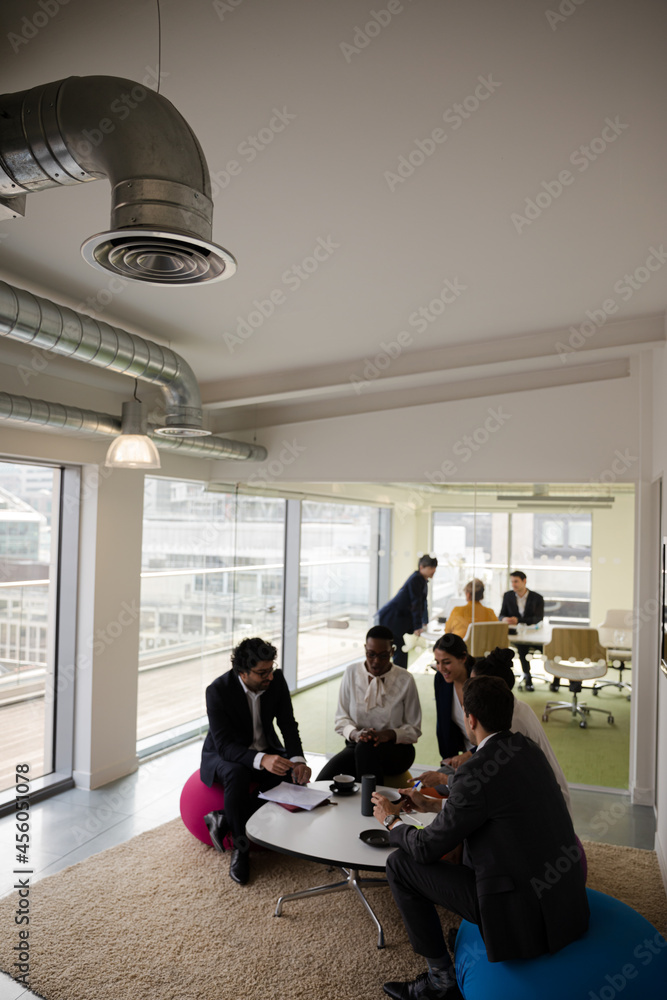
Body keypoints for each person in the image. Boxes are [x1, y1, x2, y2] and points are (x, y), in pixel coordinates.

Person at [372, 675, 589, 1000]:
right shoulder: (527, 748)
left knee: (400, 864)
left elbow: (426, 848)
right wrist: (431, 805)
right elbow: (496, 810)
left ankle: (440, 982)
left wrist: (390, 820)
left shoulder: (475, 771)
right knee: (468, 843)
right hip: (566, 900)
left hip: (523, 915)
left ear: (469, 719)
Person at [200, 636, 311, 885]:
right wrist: (262, 760)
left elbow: (288, 725)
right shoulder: (217, 691)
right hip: (224, 755)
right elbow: (225, 746)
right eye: (262, 673)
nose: (269, 677)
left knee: (294, 777)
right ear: (242, 672)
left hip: (266, 748)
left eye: (270, 670)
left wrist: (297, 760)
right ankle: (241, 848)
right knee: (237, 774)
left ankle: (225, 818)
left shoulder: (276, 681)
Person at [422, 646, 572, 817]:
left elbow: (480, 792)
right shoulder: (514, 707)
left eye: (473, 685)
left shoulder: (508, 725)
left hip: (543, 814)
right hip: (547, 805)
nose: (469, 692)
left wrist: (442, 783)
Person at [316, 625, 422, 784]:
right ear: (365, 649)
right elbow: (341, 719)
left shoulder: (405, 679)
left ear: (392, 651)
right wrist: (356, 734)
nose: (376, 661)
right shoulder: (351, 672)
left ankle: (371, 806)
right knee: (322, 781)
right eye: (370, 654)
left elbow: (414, 729)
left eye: (383, 655)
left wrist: (386, 735)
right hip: (356, 746)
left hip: (396, 751)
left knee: (365, 751)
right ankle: (368, 802)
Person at [377, 555, 438, 667]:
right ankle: (399, 676)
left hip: (395, 619)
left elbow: (423, 603)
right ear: (421, 567)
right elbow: (416, 604)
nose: (434, 570)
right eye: (431, 567)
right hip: (391, 618)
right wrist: (417, 626)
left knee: (398, 649)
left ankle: (400, 675)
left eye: (435, 567)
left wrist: (424, 622)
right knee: (396, 649)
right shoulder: (416, 580)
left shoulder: (422, 581)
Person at [430, 633, 475, 764]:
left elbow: (494, 735)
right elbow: (443, 723)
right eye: (437, 662)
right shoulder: (440, 680)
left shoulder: (479, 682)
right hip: (462, 758)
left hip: (488, 754)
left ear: (463, 658)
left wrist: (468, 755)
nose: (441, 668)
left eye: (447, 662)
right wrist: (447, 759)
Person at [499, 570, 546, 691]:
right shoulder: (508, 595)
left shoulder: (537, 598)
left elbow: (538, 618)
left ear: (524, 581)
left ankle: (556, 679)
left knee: (548, 649)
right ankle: (528, 677)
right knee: (522, 648)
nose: (513, 584)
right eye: (512, 582)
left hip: (534, 634)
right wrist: (504, 618)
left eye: (516, 581)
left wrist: (518, 620)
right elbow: (501, 615)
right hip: (516, 634)